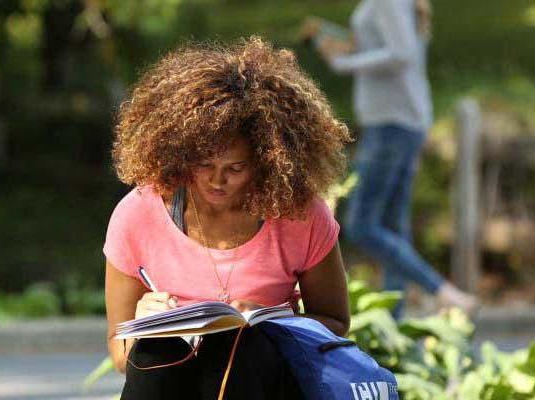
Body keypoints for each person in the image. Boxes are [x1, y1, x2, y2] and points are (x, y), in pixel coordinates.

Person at [103, 36, 352, 399]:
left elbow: (335, 323)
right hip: (170, 382)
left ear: (268, 161)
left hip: (264, 380)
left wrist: (274, 324)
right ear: (180, 154)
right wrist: (143, 326)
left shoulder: (299, 214)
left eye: (235, 168)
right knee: (157, 348)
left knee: (245, 345)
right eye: (204, 165)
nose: (217, 180)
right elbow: (121, 355)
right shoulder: (138, 213)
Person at [308, 0, 479, 319]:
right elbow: (393, 48)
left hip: (391, 123)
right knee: (392, 227)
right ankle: (394, 324)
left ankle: (443, 291)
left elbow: (402, 54)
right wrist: (351, 46)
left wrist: (346, 63)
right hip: (402, 120)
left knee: (362, 224)